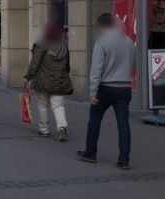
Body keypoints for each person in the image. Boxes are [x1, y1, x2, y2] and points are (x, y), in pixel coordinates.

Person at [78, 14, 135, 169]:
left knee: (95, 119)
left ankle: (90, 153)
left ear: (102, 26)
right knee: (123, 124)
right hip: (124, 88)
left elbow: (96, 69)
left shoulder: (101, 42)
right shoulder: (129, 41)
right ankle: (124, 159)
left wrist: (92, 92)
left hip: (105, 88)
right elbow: (132, 63)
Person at [24, 24, 73, 141]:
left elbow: (34, 64)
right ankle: (62, 127)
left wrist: (28, 77)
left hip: (43, 81)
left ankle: (44, 130)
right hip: (59, 81)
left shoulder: (41, 45)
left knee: (42, 105)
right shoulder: (63, 46)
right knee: (58, 105)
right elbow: (67, 66)